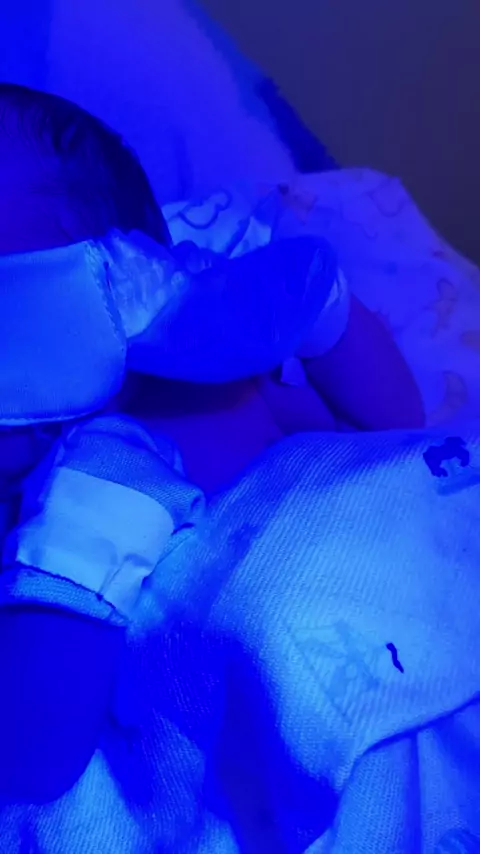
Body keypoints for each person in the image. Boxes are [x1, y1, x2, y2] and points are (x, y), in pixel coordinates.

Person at [0, 82, 424, 802]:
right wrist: (75, 552)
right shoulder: (38, 512)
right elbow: (30, 762)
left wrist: (322, 310)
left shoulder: (238, 391)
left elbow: (399, 438)